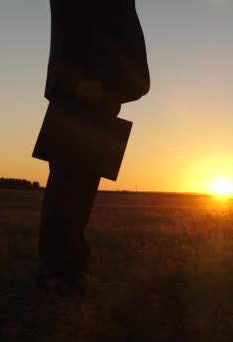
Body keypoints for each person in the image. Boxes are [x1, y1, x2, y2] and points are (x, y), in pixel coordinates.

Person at [37, 0, 150, 295]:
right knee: (71, 182)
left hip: (97, 83)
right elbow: (73, 11)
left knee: (79, 182)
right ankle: (60, 273)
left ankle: (67, 265)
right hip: (89, 84)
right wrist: (85, 77)